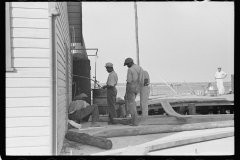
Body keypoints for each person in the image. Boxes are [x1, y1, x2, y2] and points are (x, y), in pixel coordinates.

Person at [124, 58, 145, 126]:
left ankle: (134, 122)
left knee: (131, 105)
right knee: (133, 104)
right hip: (138, 88)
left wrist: (126, 92)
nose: (127, 66)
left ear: (130, 63)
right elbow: (143, 80)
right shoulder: (140, 68)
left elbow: (129, 81)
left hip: (131, 88)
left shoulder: (130, 70)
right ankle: (135, 120)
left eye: (127, 64)